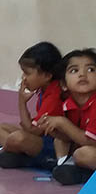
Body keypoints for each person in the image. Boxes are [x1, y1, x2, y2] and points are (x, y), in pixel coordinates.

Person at [0, 42, 63, 169]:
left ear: (47, 75)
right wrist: (22, 100)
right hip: (41, 139)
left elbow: (32, 130)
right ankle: (17, 154)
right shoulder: (43, 90)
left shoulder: (54, 94)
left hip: (54, 147)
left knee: (18, 138)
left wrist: (21, 102)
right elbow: (31, 128)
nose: (23, 78)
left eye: (27, 73)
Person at [37, 49, 96, 185]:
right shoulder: (68, 105)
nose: (82, 74)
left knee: (83, 154)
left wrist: (62, 123)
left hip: (90, 147)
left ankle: (82, 175)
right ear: (63, 84)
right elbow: (71, 136)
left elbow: (91, 142)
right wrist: (53, 129)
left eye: (91, 70)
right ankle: (62, 165)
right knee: (60, 140)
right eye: (74, 70)